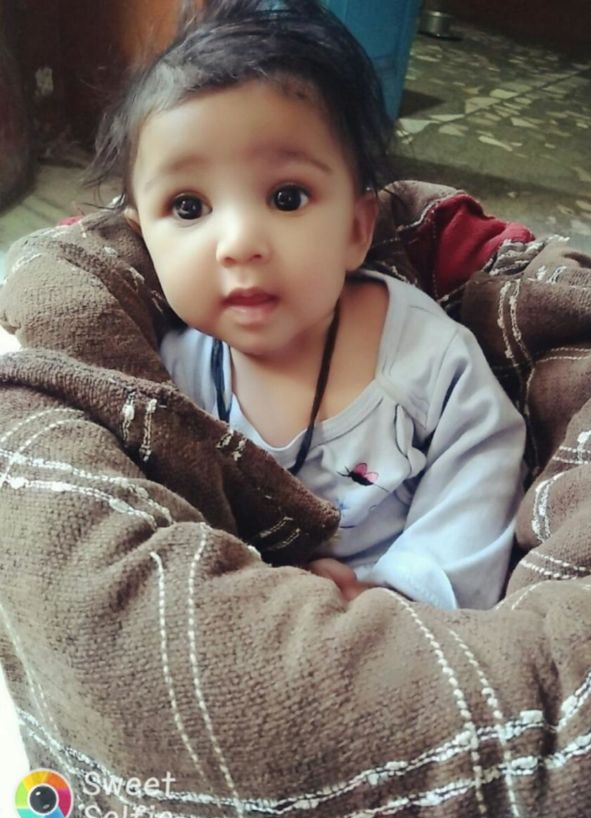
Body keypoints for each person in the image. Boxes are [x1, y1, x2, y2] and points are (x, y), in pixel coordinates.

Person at [86, 0, 525, 608]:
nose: (239, 243)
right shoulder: (165, 374)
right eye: (189, 207)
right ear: (142, 238)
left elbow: (477, 497)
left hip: (386, 625)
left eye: (287, 197)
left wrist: (393, 594)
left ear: (356, 228)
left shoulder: (432, 360)